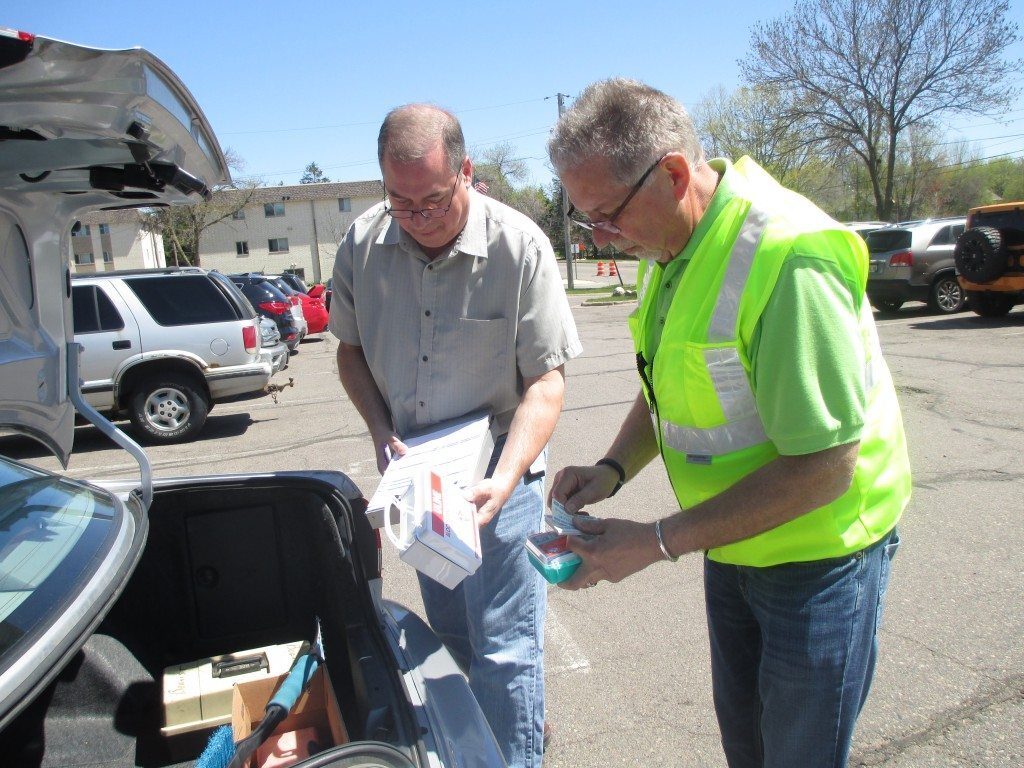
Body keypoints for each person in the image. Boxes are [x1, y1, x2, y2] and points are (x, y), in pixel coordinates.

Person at [547, 78, 910, 768]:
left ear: (675, 174)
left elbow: (825, 467)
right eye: (586, 221)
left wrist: (653, 541)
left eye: (606, 215)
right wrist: (612, 468)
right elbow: (671, 391)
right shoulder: (674, 246)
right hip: (735, 544)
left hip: (819, 559)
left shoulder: (787, 256)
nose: (601, 237)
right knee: (749, 750)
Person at [329, 103, 582, 767]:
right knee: (450, 634)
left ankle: (514, 747)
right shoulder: (361, 243)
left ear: (466, 172)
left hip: (503, 472)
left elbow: (547, 384)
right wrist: (381, 431)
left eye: (433, 200)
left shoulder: (520, 246)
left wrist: (503, 477)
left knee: (504, 647)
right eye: (400, 201)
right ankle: (509, 725)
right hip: (419, 475)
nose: (417, 217)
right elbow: (349, 352)